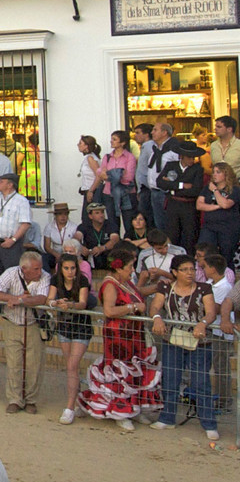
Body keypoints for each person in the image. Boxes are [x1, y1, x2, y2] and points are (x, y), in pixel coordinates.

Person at [148, 253, 221, 442]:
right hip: (173, 339)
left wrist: (203, 322)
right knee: (171, 379)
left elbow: (211, 312)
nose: (190, 273)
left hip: (199, 342)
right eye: (185, 270)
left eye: (192, 269)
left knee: (201, 382)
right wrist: (157, 318)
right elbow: (155, 306)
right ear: (175, 272)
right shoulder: (165, 286)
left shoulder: (204, 288)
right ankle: (167, 417)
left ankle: (209, 423)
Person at [80, 246, 153, 431]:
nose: (132, 270)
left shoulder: (127, 282)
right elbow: (109, 310)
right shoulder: (110, 284)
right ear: (119, 268)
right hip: (118, 335)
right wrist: (134, 307)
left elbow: (139, 294)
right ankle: (118, 410)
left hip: (133, 334)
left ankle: (134, 408)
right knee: (119, 371)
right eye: (130, 266)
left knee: (134, 370)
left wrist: (160, 287)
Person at [0, 248, 51, 414]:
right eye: (36, 269)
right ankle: (14, 399)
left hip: (33, 324)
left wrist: (22, 299)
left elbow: (42, 298)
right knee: (14, 363)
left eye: (39, 268)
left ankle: (31, 399)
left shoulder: (45, 276)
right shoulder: (10, 273)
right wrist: (11, 298)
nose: (40, 271)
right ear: (25, 269)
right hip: (12, 322)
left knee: (34, 364)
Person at [48, 251, 96, 425]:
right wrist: (56, 303)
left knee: (72, 365)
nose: (70, 272)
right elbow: (49, 299)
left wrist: (70, 305)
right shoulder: (55, 280)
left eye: (73, 268)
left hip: (81, 327)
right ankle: (77, 402)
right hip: (64, 326)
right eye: (66, 268)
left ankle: (69, 407)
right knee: (71, 368)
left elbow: (83, 303)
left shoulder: (82, 280)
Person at [0, 173, 31, 280]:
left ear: (10, 185)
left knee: (13, 275)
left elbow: (25, 224)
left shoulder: (21, 201)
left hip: (11, 244)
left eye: (2, 182)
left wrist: (13, 240)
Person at [162, 143, 205, 254]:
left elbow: (195, 190)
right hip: (173, 204)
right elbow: (160, 182)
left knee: (190, 234)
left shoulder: (197, 169)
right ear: (181, 156)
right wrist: (181, 185)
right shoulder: (171, 165)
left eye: (193, 157)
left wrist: (172, 188)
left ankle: (189, 258)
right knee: (172, 233)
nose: (192, 160)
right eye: (189, 157)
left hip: (189, 206)